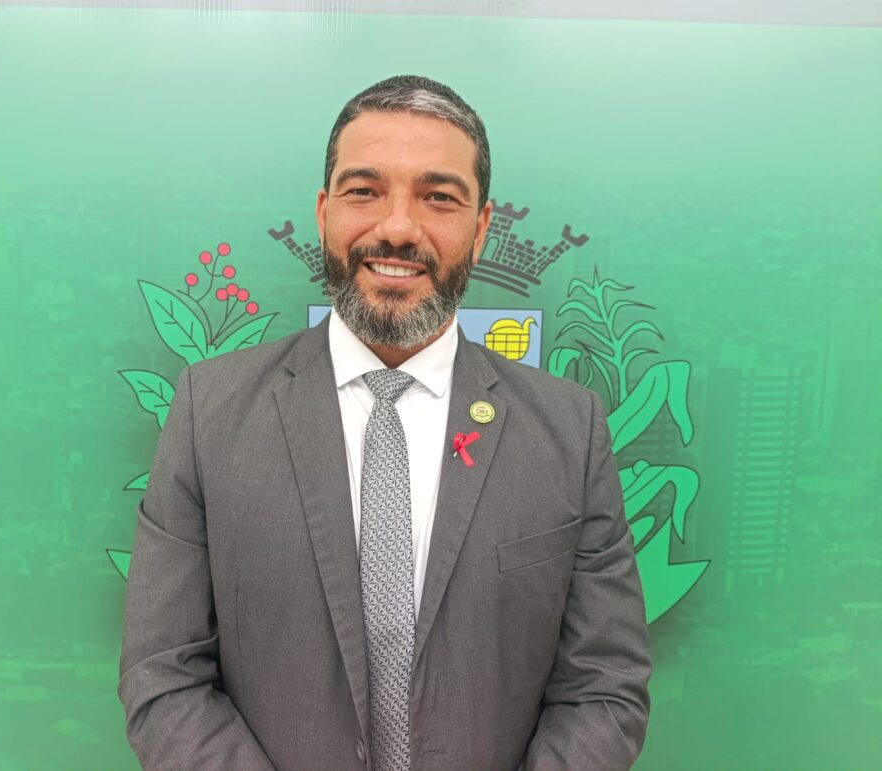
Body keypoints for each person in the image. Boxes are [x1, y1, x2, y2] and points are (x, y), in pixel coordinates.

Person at [118, 75, 651, 771]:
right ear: (323, 213)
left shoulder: (568, 431)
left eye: (438, 197)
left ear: (481, 228)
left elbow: (604, 687)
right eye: (364, 190)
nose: (397, 228)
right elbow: (163, 674)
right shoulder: (209, 413)